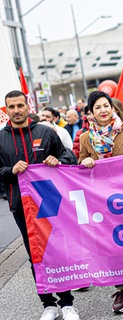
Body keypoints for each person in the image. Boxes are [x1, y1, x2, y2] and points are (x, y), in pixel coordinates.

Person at [0, 90, 80, 320]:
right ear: (6, 110)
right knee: (36, 255)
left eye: (20, 106)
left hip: (50, 204)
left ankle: (67, 304)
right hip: (20, 206)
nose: (16, 110)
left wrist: (58, 161)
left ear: (28, 107)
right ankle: (48, 304)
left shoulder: (45, 132)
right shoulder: (1, 138)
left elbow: (69, 158)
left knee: (57, 251)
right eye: (11, 107)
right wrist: (9, 171)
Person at [78, 91, 123, 314]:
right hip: (102, 198)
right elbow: (80, 166)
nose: (103, 110)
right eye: (98, 107)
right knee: (111, 245)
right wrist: (86, 161)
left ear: (113, 108)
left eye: (106, 105)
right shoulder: (86, 138)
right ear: (91, 113)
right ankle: (120, 289)